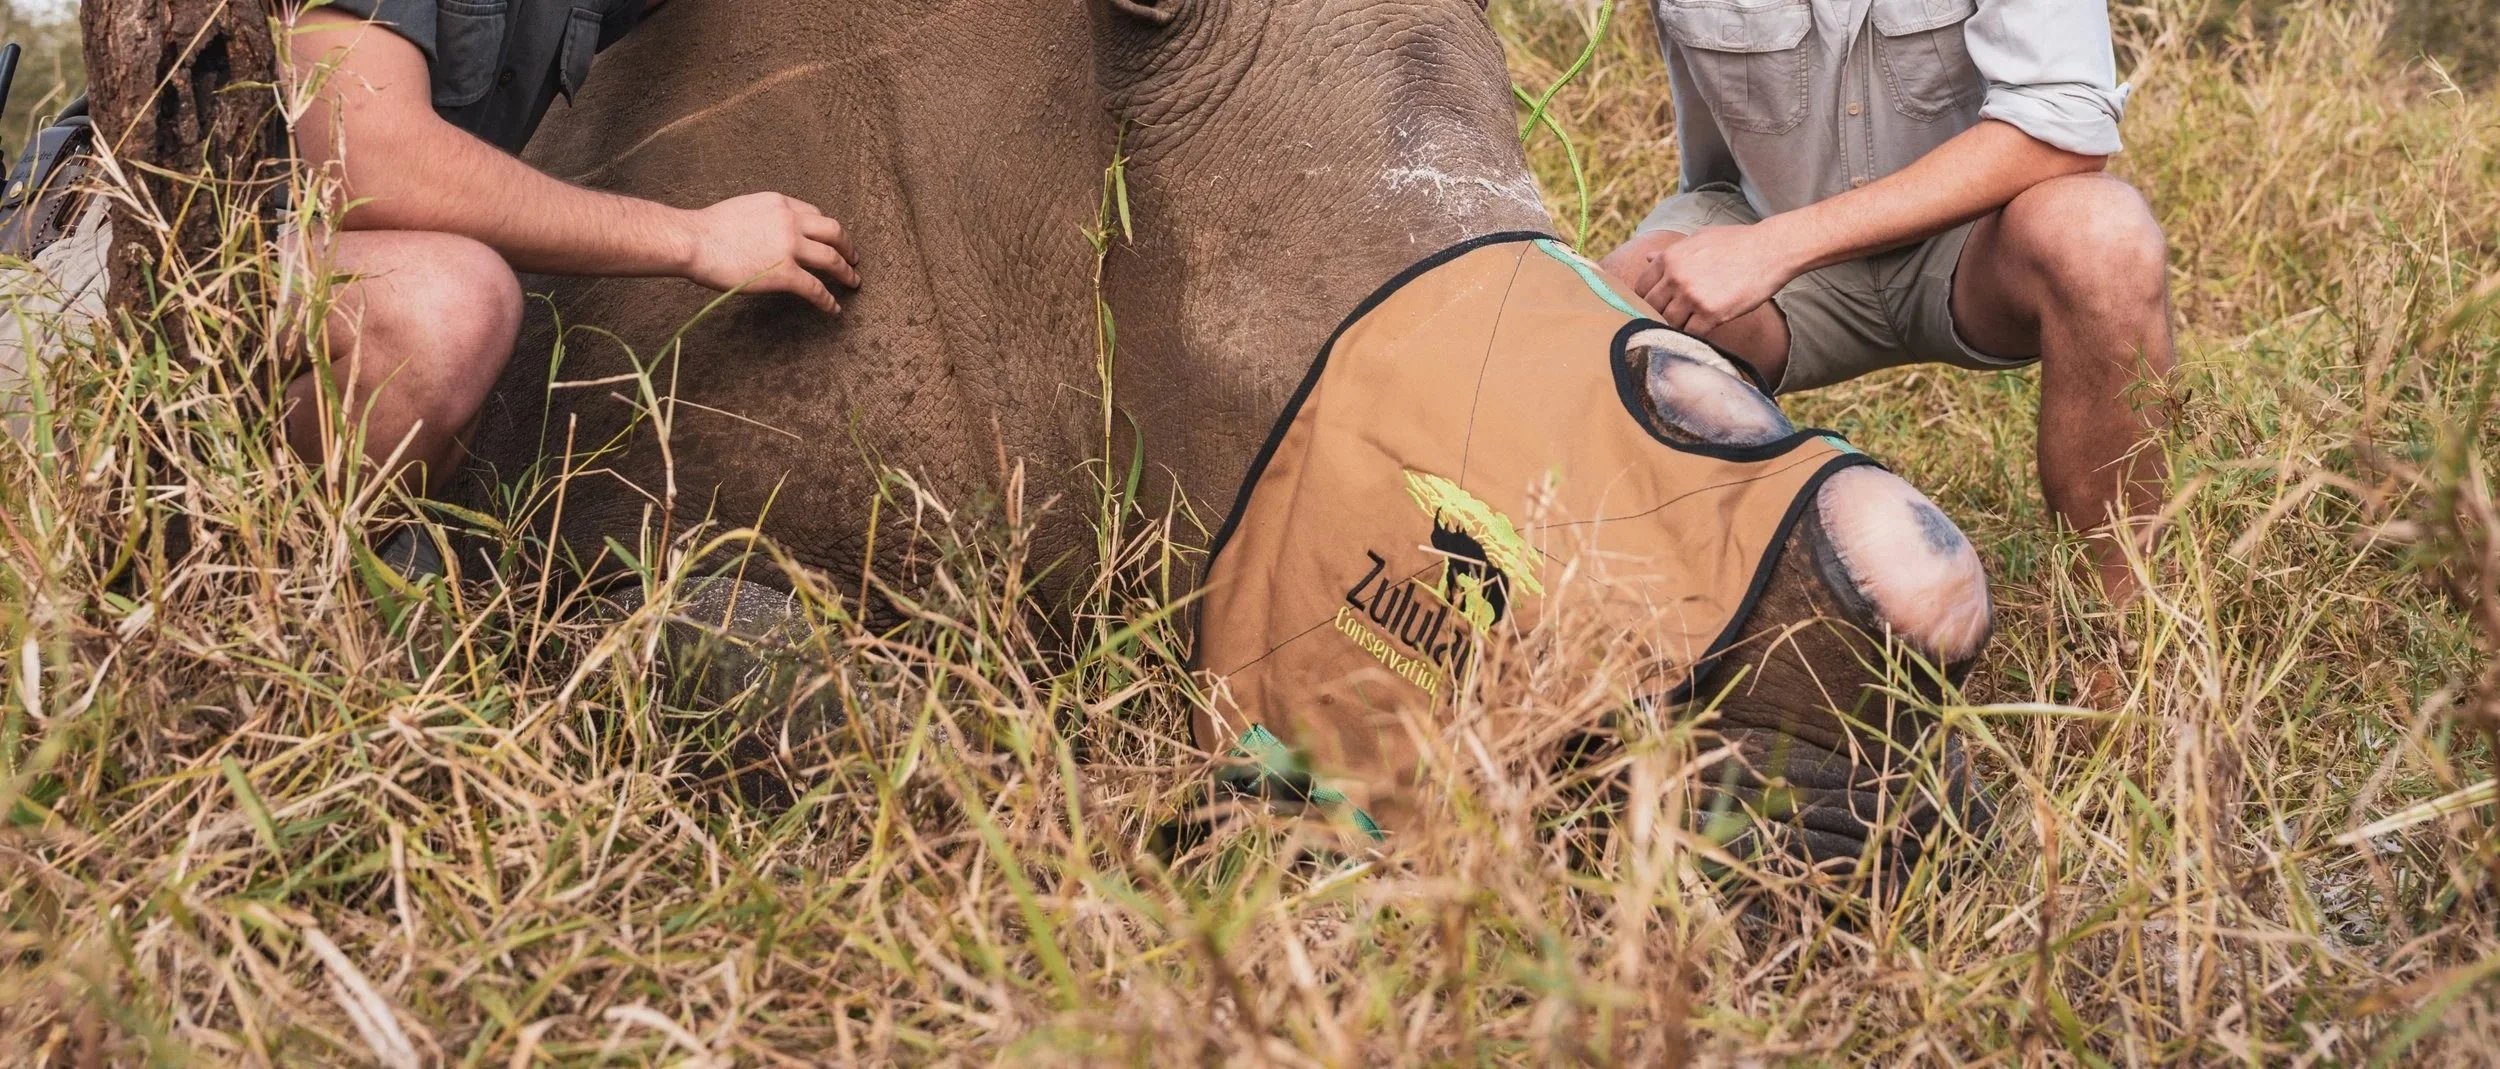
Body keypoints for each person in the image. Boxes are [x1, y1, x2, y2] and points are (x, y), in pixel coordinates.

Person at [1599, 0, 2171, 604]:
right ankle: (1654, 634)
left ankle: (2121, 626)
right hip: (1755, 214)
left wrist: (1779, 247)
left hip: (1976, 239)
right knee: (1605, 321)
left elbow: (2065, 122)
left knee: (2105, 236)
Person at [282, 0, 859, 494]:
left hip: (328, 287)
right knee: (448, 308)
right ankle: (265, 586)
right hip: (222, 266)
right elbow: (367, 165)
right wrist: (695, 238)